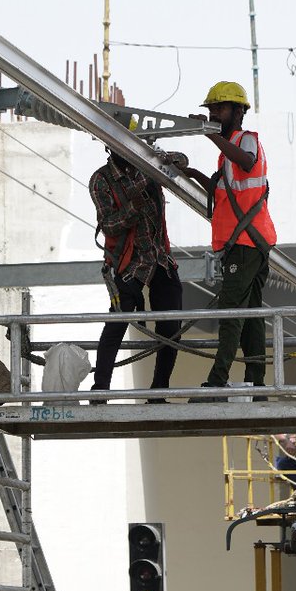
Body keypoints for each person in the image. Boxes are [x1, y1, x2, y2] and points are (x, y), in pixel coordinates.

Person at [177, 81, 277, 397]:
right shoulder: (228, 152)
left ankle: (218, 380)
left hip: (247, 245)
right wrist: (189, 172)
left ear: (237, 111)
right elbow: (220, 191)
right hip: (248, 244)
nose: (214, 114)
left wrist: (211, 135)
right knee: (250, 317)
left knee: (232, 314)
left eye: (218, 108)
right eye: (212, 110)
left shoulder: (245, 141)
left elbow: (246, 161)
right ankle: (257, 380)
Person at [88, 150, 183, 402]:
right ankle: (100, 389)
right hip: (129, 263)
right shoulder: (102, 180)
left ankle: (158, 391)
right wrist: (133, 208)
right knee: (117, 323)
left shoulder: (146, 166)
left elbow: (182, 161)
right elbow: (108, 225)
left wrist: (166, 159)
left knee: (172, 326)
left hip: (159, 258)